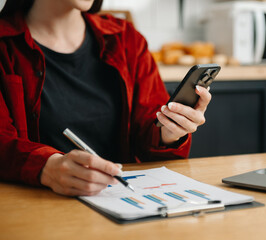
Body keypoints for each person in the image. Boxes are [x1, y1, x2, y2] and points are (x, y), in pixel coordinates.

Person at [0, 0, 211, 196]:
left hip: (121, 202)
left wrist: (169, 131)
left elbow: (147, 132)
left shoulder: (126, 39)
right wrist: (45, 167)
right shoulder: (4, 44)